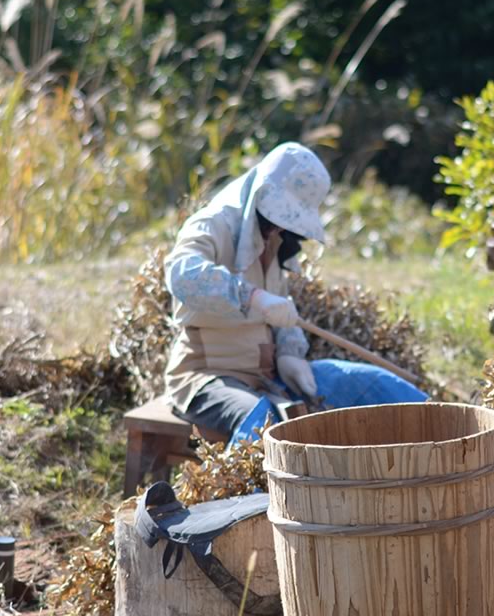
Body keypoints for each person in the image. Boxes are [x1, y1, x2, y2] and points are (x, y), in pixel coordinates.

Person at [163, 142, 424, 441]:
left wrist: (289, 353)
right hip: (207, 377)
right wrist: (251, 297)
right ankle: (243, 490)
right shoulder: (212, 225)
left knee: (373, 383)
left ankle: (450, 435)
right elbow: (182, 274)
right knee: (263, 422)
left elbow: (279, 305)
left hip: (269, 375)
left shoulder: (272, 236)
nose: (279, 230)